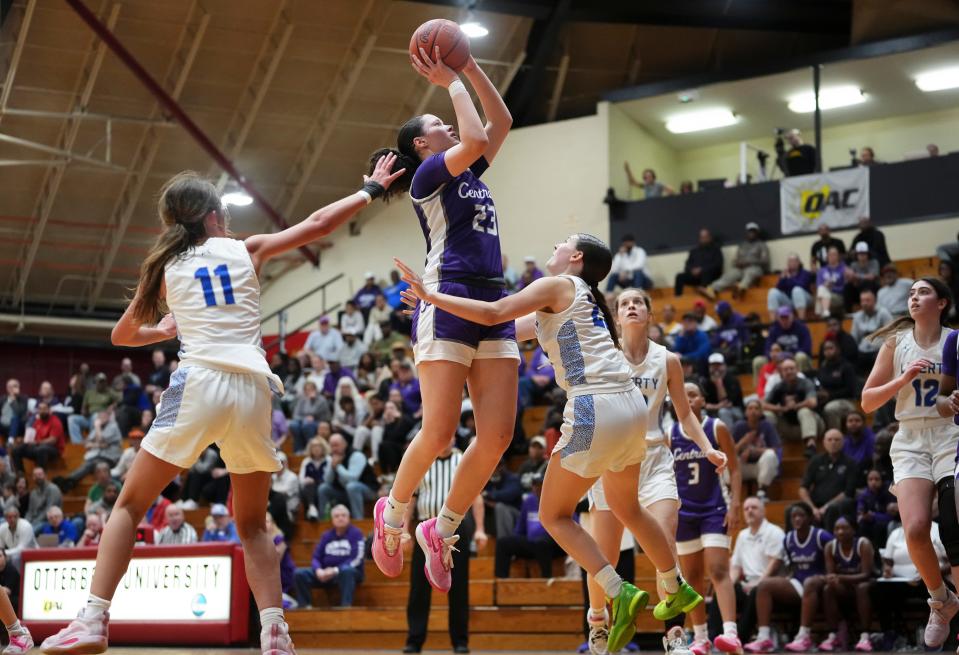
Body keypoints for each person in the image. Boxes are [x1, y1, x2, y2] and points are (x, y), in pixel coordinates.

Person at [39, 158, 404, 655]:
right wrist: (368, 189)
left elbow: (121, 335)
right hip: (253, 389)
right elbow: (319, 224)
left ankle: (94, 619)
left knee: (126, 505)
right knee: (252, 523)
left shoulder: (166, 268)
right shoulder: (245, 249)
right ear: (213, 216)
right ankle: (275, 631)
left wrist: (164, 329)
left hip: (199, 383)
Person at [396, 234, 723, 654]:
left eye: (563, 242)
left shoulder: (557, 285)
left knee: (554, 514)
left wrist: (433, 296)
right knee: (629, 508)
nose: (555, 244)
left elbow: (494, 310)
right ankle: (673, 585)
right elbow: (493, 330)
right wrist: (430, 313)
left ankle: (615, 590)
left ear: (577, 257)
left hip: (594, 407)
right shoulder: (580, 298)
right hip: (632, 408)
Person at [365, 50, 522, 599]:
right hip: (448, 297)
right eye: (438, 126)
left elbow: (498, 125)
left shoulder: (465, 168)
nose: (449, 125)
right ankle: (394, 514)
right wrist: (450, 79)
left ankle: (443, 526)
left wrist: (472, 66)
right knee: (437, 433)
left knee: (498, 436)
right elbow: (476, 138)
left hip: (491, 302)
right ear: (423, 146)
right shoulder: (429, 176)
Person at [580, 287, 727, 655]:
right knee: (605, 556)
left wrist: (707, 448)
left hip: (655, 460)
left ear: (648, 314)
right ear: (616, 316)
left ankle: (675, 636)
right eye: (624, 303)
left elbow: (685, 415)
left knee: (665, 548)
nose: (631, 307)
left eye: (638, 303)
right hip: (612, 460)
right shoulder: (605, 355)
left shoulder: (668, 360)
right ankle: (598, 620)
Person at [860, 277, 958, 650]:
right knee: (915, 529)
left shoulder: (955, 341)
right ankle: (941, 600)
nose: (914, 298)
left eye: (924, 292)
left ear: (942, 303)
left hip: (951, 434)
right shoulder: (896, 344)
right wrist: (902, 378)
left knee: (953, 528)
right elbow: (867, 401)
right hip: (911, 438)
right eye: (912, 293)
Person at [671, 383, 742, 655]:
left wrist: (735, 504)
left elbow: (735, 470)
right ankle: (700, 637)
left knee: (718, 570)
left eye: (693, 394)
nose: (688, 398)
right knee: (691, 577)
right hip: (684, 513)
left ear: (702, 399)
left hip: (714, 509)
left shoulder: (717, 427)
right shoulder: (670, 433)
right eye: (683, 393)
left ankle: (730, 633)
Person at [402, 434, 484, 655]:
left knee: (458, 587)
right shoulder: (423, 460)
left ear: (454, 438)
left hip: (455, 532)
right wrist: (403, 530)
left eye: (449, 436)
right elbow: (412, 499)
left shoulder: (463, 460)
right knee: (418, 588)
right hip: (424, 530)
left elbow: (476, 496)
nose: (445, 439)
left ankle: (460, 641)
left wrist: (480, 529)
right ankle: (414, 640)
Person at [745, 503, 833, 653]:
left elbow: (836, 552)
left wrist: (829, 574)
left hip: (821, 581)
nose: (797, 519)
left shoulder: (821, 536)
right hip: (799, 582)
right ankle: (764, 637)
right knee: (765, 585)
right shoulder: (788, 539)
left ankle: (804, 636)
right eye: (794, 516)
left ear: (810, 518)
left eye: (801, 516)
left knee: (810, 582)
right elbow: (791, 566)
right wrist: (786, 579)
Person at [723, 497, 785, 642]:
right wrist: (729, 585)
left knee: (757, 591)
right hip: (747, 584)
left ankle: (740, 638)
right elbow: (736, 567)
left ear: (763, 511)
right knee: (725, 590)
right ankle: (715, 637)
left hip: (768, 585)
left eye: (754, 507)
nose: (749, 511)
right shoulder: (743, 535)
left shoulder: (774, 532)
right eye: (746, 508)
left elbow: (774, 565)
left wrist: (756, 584)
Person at [816, 516, 875, 652]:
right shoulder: (830, 547)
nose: (840, 532)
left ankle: (865, 636)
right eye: (837, 529)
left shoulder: (863, 544)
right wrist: (830, 579)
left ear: (853, 530)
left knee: (861, 588)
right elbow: (832, 577)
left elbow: (866, 574)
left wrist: (840, 577)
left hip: (867, 586)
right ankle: (833, 635)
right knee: (828, 588)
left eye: (844, 528)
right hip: (846, 588)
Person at [293, 504, 365, 608]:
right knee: (299, 573)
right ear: (332, 519)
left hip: (347, 573)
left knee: (347, 571)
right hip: (325, 573)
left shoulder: (356, 533)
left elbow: (357, 558)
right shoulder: (326, 535)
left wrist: (335, 570)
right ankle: (305, 606)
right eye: (337, 516)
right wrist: (318, 570)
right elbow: (316, 557)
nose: (340, 518)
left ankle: (346, 606)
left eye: (343, 515)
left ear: (348, 518)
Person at [494, 473, 564, 578]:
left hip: (553, 544)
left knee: (542, 543)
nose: (536, 488)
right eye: (534, 485)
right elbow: (520, 529)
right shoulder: (529, 501)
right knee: (503, 543)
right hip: (532, 542)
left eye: (540, 484)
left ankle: (546, 579)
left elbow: (571, 524)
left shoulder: (558, 500)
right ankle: (500, 582)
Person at [763, 357, 824, 457]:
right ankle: (771, 445)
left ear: (797, 370)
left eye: (791, 368)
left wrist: (796, 406)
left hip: (814, 425)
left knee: (804, 411)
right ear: (781, 372)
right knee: (767, 414)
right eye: (786, 369)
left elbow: (813, 402)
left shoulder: (806, 383)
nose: (789, 371)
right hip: (789, 427)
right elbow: (763, 405)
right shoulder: (779, 386)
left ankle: (811, 445)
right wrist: (782, 409)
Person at [799, 429, 858, 529]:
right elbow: (803, 488)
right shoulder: (815, 461)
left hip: (837, 504)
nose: (833, 442)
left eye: (837, 440)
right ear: (824, 442)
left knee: (832, 509)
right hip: (815, 504)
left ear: (843, 442)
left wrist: (825, 508)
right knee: (792, 509)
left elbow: (848, 492)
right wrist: (812, 508)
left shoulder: (850, 463)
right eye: (829, 440)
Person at [317, 433, 377, 520]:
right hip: (344, 491)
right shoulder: (331, 457)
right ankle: (323, 521)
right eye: (332, 446)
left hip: (368, 490)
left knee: (352, 486)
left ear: (344, 444)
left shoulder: (356, 455)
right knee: (323, 488)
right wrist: (332, 466)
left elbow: (352, 479)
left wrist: (338, 466)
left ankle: (358, 520)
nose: (334, 449)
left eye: (336, 445)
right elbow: (327, 481)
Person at [732, 400, 781, 499]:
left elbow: (775, 450)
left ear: (761, 412)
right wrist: (743, 441)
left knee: (770, 455)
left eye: (756, 408)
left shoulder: (767, 425)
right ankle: (730, 493)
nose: (753, 411)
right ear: (745, 412)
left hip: (761, 467)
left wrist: (753, 451)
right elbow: (730, 452)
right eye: (750, 408)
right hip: (743, 467)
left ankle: (762, 491)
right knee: (725, 460)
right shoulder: (739, 426)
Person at [708, 222, 769, 300]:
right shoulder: (742, 245)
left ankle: (740, 288)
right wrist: (737, 263)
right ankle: (712, 289)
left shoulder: (762, 245)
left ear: (757, 233)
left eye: (753, 231)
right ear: (746, 232)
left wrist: (750, 262)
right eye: (749, 231)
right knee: (730, 274)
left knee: (750, 273)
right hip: (740, 268)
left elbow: (765, 261)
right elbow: (734, 260)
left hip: (754, 268)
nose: (751, 233)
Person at [753, 307, 812, 379]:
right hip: (778, 358)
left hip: (795, 356)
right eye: (782, 318)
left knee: (801, 356)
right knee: (758, 361)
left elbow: (806, 347)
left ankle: (801, 384)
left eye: (786, 317)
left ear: (792, 317)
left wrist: (789, 355)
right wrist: (772, 355)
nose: (784, 320)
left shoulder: (802, 327)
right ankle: (759, 388)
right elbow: (767, 348)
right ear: (778, 318)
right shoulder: (773, 329)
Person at [816, 339, 858, 431]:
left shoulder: (846, 367)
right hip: (827, 400)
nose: (828, 351)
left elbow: (850, 390)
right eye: (825, 349)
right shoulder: (823, 368)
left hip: (846, 401)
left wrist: (830, 395)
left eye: (831, 348)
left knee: (830, 409)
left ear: (838, 350)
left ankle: (835, 436)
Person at [11, 401, 64, 473]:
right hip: (37, 447)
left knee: (41, 449)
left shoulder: (55, 421)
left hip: (54, 449)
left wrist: (36, 442)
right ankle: (21, 475)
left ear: (49, 410)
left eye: (44, 409)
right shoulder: (37, 422)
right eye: (40, 409)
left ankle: (40, 476)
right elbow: (32, 438)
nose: (42, 411)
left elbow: (52, 441)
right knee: (16, 449)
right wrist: (23, 440)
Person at [851, 289, 892, 374]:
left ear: (875, 301)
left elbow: (891, 334)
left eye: (868, 300)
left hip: (879, 351)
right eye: (862, 301)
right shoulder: (857, 317)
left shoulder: (883, 313)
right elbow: (854, 337)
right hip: (862, 352)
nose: (864, 303)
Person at [0, 546, 32, 654]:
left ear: (5, 557)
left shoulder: (10, 569)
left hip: (18, 602)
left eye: (0, 556)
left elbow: (7, 591)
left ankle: (18, 633)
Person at [674, 229, 723, 297]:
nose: (704, 239)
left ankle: (707, 293)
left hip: (710, 276)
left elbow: (718, 265)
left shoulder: (716, 250)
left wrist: (702, 269)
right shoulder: (694, 251)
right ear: (699, 238)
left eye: (706, 237)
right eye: (702, 237)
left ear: (710, 237)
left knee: (706, 273)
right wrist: (692, 270)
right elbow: (687, 265)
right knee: (679, 276)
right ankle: (678, 297)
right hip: (696, 276)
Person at [287, 381, 331, 455]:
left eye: (311, 389)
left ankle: (309, 449)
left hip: (320, 421)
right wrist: (304, 418)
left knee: (307, 425)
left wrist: (311, 400)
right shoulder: (302, 399)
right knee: (294, 425)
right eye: (307, 390)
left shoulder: (321, 400)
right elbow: (295, 415)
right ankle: (298, 449)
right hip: (305, 421)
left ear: (315, 390)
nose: (309, 392)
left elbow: (312, 412)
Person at [768, 253, 814, 321]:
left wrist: (790, 278)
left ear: (798, 262)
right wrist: (783, 278)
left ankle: (802, 320)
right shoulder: (786, 273)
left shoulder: (805, 273)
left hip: (805, 299)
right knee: (772, 291)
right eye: (789, 261)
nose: (791, 263)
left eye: (793, 261)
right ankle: (773, 322)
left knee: (796, 290)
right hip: (790, 301)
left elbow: (801, 285)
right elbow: (778, 288)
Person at [703, 353, 744, 428]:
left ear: (724, 366)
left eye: (718, 365)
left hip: (735, 410)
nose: (716, 368)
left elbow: (727, 403)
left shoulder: (732, 380)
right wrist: (717, 406)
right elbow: (703, 403)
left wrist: (719, 384)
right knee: (701, 413)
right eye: (713, 366)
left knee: (723, 412)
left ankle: (727, 438)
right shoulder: (706, 382)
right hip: (714, 410)